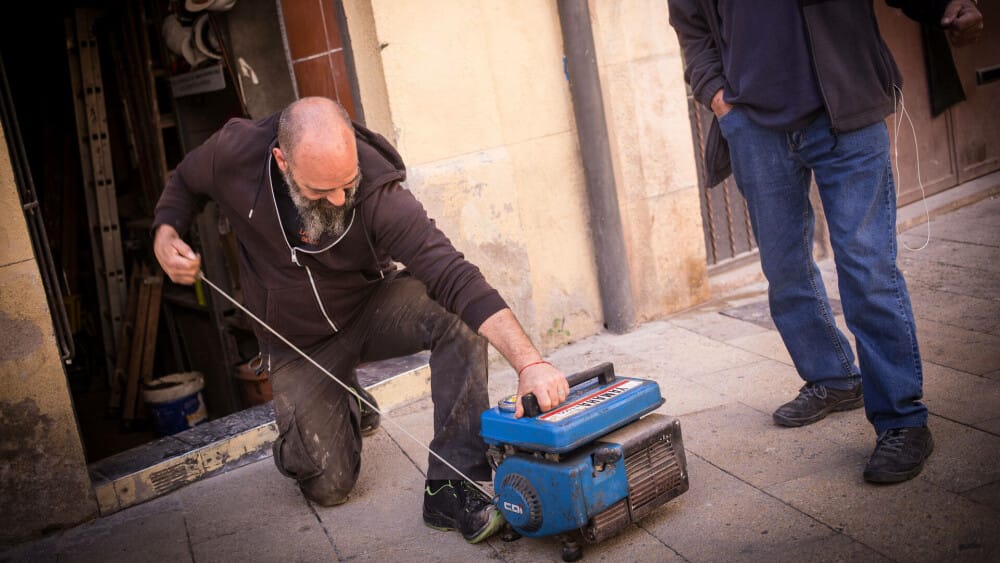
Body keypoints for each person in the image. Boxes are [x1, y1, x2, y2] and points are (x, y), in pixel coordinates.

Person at [152, 96, 570, 543]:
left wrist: (530, 363)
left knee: (457, 315)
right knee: (328, 485)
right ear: (282, 161)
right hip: (298, 342)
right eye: (320, 191)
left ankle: (451, 484)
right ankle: (336, 400)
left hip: (369, 310)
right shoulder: (234, 153)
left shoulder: (377, 192)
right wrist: (166, 230)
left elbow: (454, 275)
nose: (338, 199)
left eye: (346, 183)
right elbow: (185, 181)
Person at [667, 0, 983, 483]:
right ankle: (833, 376)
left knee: (867, 268)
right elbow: (690, 24)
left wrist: (946, 5)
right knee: (784, 268)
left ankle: (901, 419)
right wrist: (716, 95)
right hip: (754, 124)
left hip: (846, 110)